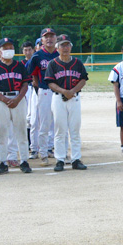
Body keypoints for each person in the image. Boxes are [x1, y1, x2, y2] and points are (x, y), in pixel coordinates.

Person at [0, 37, 32, 175]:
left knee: (21, 131)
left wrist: (18, 98)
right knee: (1, 131)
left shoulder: (20, 66)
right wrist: (3, 99)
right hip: (0, 99)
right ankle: (2, 162)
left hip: (18, 98)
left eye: (10, 47)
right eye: (5, 48)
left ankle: (24, 161)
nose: (8, 50)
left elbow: (25, 84)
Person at [44, 35, 88, 172]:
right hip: (58, 98)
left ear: (71, 47)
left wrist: (72, 91)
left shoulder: (77, 63)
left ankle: (76, 159)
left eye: (67, 45)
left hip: (74, 98)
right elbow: (50, 82)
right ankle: (60, 159)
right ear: (57, 48)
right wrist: (64, 91)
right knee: (59, 129)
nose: (65, 48)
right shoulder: (53, 64)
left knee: (75, 129)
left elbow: (83, 79)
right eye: (62, 45)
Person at [26, 28, 59, 165]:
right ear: (42, 40)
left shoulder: (60, 54)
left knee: (60, 124)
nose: (49, 39)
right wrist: (37, 85)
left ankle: (60, 152)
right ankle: (43, 153)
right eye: (46, 37)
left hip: (59, 92)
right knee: (44, 124)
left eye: (52, 36)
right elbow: (31, 73)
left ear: (56, 38)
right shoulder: (37, 56)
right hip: (44, 90)